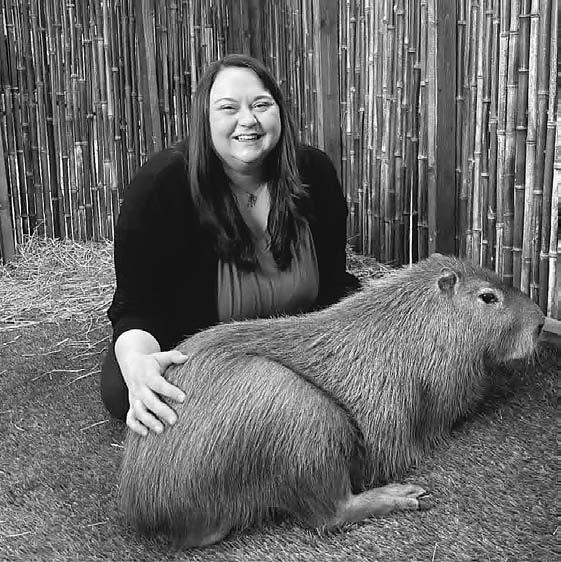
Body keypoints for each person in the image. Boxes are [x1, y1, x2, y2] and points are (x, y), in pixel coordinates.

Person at [101, 53, 360, 437]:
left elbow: (336, 285)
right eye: (228, 108)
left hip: (296, 340)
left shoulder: (314, 173)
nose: (248, 120)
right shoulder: (160, 186)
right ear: (204, 120)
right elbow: (136, 307)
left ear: (280, 112)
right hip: (202, 353)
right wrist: (138, 362)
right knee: (124, 390)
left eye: (261, 105)